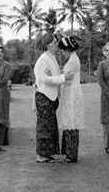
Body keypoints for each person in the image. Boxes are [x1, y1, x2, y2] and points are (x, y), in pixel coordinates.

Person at [33, 33, 74, 163]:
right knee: (44, 126)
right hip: (44, 96)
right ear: (48, 45)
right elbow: (45, 79)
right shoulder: (44, 59)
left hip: (51, 97)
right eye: (56, 42)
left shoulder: (52, 58)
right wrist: (63, 78)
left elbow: (53, 75)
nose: (58, 45)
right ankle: (41, 155)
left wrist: (61, 75)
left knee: (50, 126)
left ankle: (48, 153)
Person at [56, 35, 84, 163]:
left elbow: (67, 77)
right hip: (71, 92)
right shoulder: (73, 59)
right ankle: (68, 153)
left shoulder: (72, 61)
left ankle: (70, 154)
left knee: (71, 122)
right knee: (69, 121)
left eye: (62, 51)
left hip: (72, 93)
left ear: (67, 49)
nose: (62, 53)